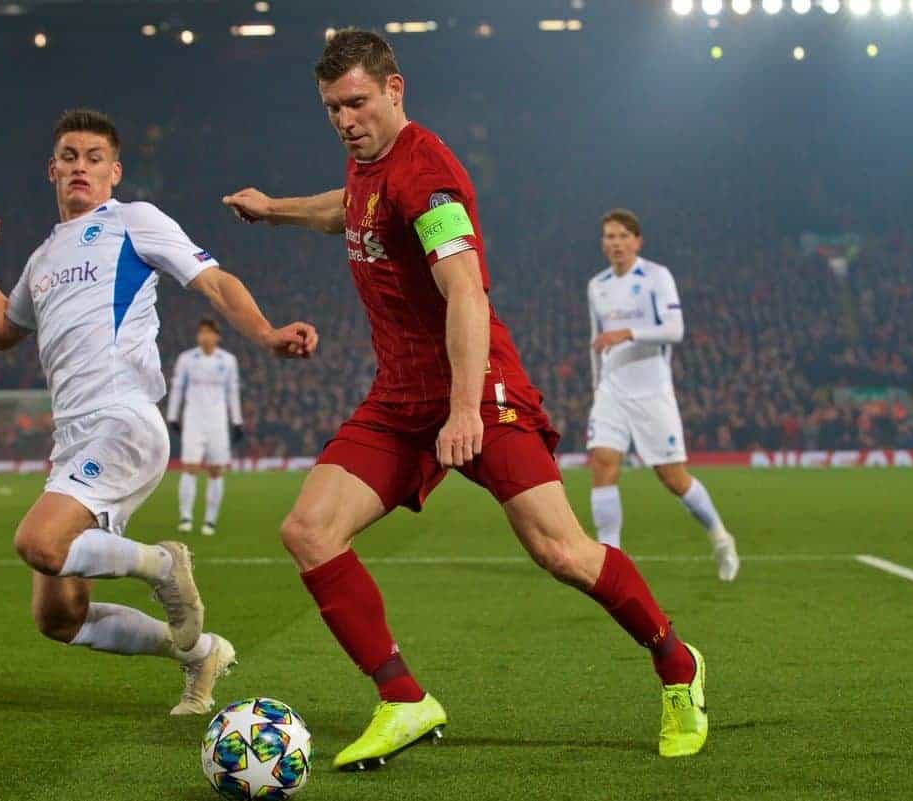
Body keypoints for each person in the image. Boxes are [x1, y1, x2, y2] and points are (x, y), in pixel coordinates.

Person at [222, 30, 708, 768]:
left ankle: (677, 665)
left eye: (357, 102)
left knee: (561, 550)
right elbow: (346, 209)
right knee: (309, 530)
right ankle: (403, 699)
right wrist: (274, 209)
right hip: (399, 397)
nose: (345, 119)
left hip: (478, 388)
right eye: (331, 108)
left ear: (394, 89)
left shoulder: (427, 172)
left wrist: (462, 408)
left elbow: (466, 293)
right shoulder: (368, 167)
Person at [0, 108, 318, 714]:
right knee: (59, 616)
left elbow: (213, 282)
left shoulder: (132, 221)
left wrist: (266, 333)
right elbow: (0, 330)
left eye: (94, 158)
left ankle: (160, 563)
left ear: (114, 172)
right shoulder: (42, 259)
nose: (80, 167)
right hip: (74, 441)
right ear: (52, 170)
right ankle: (200, 652)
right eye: (69, 156)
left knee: (39, 543)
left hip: (122, 419)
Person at [587, 209, 740, 581]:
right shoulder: (597, 285)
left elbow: (675, 329)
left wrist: (627, 333)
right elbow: (596, 341)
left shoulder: (656, 277)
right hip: (611, 390)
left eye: (623, 236)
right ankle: (612, 561)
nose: (616, 243)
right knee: (602, 464)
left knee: (672, 477)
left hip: (651, 392)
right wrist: (597, 390)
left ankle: (720, 537)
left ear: (637, 241)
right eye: (609, 236)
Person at [167, 318, 243, 536]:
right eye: (201, 332)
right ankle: (186, 517)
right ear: (197, 336)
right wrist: (173, 415)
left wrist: (236, 420)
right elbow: (178, 388)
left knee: (216, 471)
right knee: (190, 467)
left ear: (217, 336)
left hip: (218, 421)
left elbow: (232, 391)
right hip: (193, 419)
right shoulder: (187, 359)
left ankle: (210, 520)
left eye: (209, 332)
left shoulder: (228, 360)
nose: (205, 336)